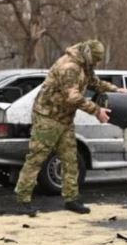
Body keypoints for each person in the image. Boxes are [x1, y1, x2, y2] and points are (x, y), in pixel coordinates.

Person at [14, 39, 120, 215]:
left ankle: (71, 199)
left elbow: (95, 82)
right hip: (47, 117)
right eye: (95, 60)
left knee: (70, 159)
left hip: (65, 118)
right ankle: (22, 198)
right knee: (37, 158)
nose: (95, 63)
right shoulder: (69, 67)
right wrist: (97, 111)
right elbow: (73, 97)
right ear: (88, 55)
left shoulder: (85, 65)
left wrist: (115, 90)